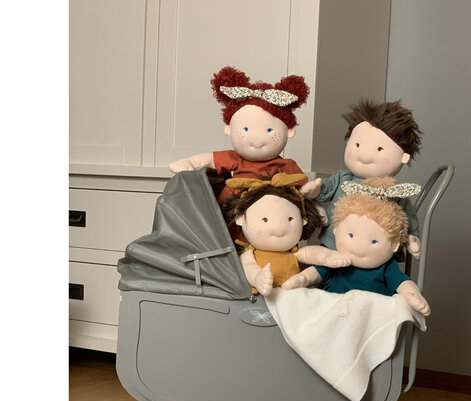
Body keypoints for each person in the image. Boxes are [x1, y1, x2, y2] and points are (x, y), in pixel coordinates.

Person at [283, 178, 430, 315]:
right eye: (351, 235)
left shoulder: (387, 267)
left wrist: (412, 295)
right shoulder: (336, 259)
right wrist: (301, 279)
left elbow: (403, 283)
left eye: (374, 241)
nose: (359, 247)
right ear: (336, 229)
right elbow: (316, 273)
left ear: (395, 245)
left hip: (371, 315)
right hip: (335, 311)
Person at [301, 98, 423, 259]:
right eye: (357, 145)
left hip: (376, 255)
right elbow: (326, 188)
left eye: (379, 149)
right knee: (324, 265)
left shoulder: (394, 192)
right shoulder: (343, 178)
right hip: (336, 246)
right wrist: (316, 190)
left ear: (404, 157)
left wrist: (412, 237)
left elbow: (408, 216)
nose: (364, 155)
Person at [169, 66, 310, 205]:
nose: (256, 140)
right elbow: (209, 160)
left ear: (289, 131)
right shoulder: (235, 159)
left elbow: (304, 190)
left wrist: (311, 198)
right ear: (229, 129)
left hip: (272, 209)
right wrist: (189, 163)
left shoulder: (287, 165)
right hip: (233, 206)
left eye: (269, 130)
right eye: (246, 129)